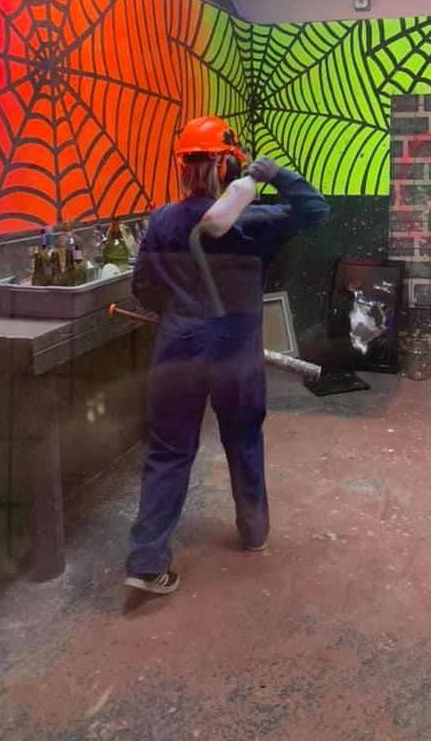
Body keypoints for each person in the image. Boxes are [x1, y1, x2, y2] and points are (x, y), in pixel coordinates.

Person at [125, 115, 329, 594]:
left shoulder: (162, 220)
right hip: (235, 350)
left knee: (169, 451)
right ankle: (253, 532)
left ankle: (146, 561)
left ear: (182, 167)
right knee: (243, 438)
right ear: (229, 166)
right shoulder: (255, 221)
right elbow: (316, 209)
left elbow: (142, 288)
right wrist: (277, 174)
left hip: (178, 347)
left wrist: (179, 312)